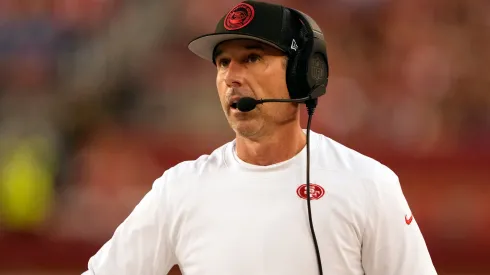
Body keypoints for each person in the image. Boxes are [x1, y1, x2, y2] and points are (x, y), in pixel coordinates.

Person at [83, 1, 437, 274]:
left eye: (252, 58)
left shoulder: (368, 184)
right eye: (223, 63)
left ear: (303, 75)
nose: (231, 76)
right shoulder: (180, 190)